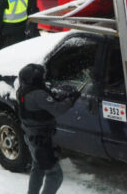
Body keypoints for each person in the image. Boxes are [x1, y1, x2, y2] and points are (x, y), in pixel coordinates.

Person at [17, 64, 80, 194]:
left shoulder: (23, 91)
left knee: (38, 168)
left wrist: (62, 96)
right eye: (42, 77)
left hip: (31, 137)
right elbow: (58, 108)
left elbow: (47, 102)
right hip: (41, 140)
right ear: (35, 79)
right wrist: (71, 99)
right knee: (55, 175)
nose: (44, 79)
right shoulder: (37, 94)